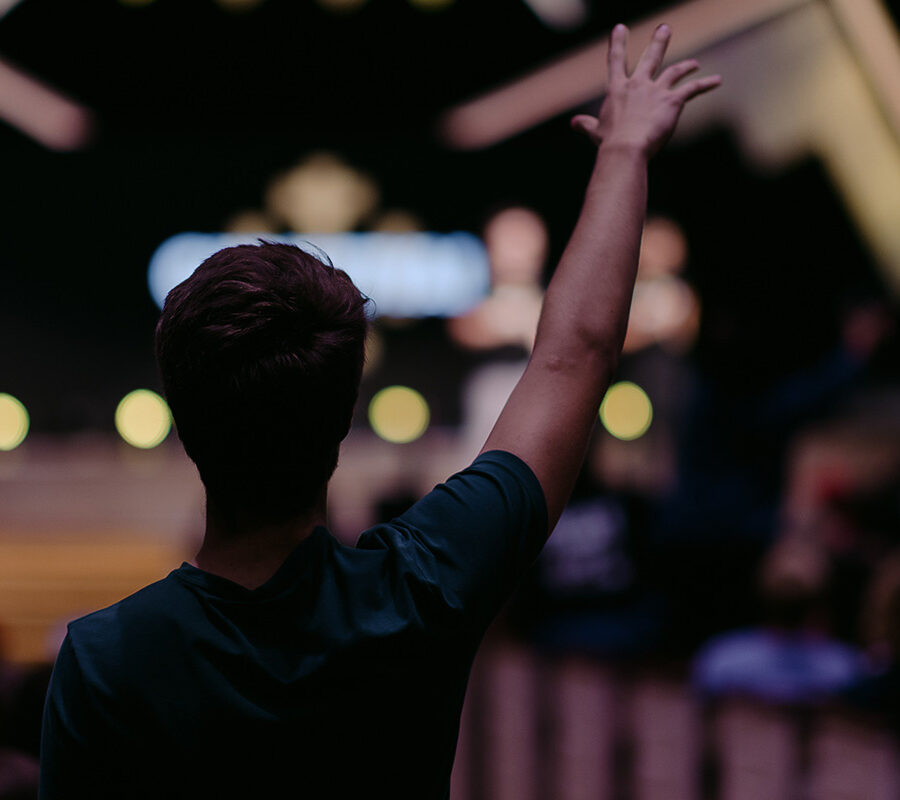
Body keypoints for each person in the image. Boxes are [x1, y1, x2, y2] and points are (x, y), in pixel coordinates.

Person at [39, 25, 720, 799]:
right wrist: (625, 153)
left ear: (185, 422)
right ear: (340, 419)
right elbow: (576, 355)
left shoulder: (105, 660)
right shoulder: (424, 586)